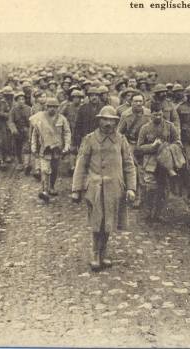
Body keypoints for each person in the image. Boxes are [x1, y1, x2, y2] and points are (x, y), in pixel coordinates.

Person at [71, 106, 136, 271]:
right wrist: (76, 188)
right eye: (104, 119)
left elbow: (129, 165)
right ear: (99, 120)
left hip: (114, 187)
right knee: (96, 221)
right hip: (95, 186)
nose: (108, 123)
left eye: (111, 120)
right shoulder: (90, 139)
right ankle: (94, 253)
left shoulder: (121, 140)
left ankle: (104, 251)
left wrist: (131, 188)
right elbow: (81, 164)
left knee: (109, 222)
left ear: (115, 122)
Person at [137, 102, 182, 222]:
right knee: (150, 189)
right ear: (151, 114)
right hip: (151, 163)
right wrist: (152, 146)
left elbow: (178, 142)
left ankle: (158, 214)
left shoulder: (170, 126)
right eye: (155, 115)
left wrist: (167, 148)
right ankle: (148, 212)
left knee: (163, 189)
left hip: (166, 163)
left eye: (160, 115)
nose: (158, 117)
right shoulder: (145, 128)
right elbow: (139, 148)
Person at [31, 98, 71, 202]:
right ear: (46, 107)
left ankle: (51, 187)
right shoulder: (40, 118)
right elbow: (35, 134)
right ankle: (44, 190)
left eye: (54, 107)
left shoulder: (62, 119)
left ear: (57, 108)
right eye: (50, 107)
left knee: (54, 169)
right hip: (45, 149)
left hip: (57, 149)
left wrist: (67, 146)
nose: (52, 109)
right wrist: (34, 147)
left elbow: (67, 132)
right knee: (45, 170)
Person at [118, 94, 150, 208]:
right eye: (135, 101)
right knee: (133, 170)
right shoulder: (125, 115)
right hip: (130, 144)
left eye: (140, 101)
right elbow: (119, 133)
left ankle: (145, 197)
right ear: (131, 102)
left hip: (145, 145)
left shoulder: (148, 114)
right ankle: (135, 196)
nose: (138, 104)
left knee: (145, 170)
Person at [59, 89, 84, 174]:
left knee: (81, 148)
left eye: (79, 98)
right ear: (72, 98)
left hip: (80, 130)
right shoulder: (67, 107)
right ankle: (72, 167)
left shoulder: (83, 107)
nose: (77, 99)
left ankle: (79, 166)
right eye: (75, 98)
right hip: (70, 129)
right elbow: (60, 116)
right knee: (72, 148)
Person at [8, 92, 32, 172]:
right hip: (17, 131)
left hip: (26, 131)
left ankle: (26, 165)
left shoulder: (29, 109)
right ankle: (20, 163)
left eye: (23, 99)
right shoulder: (13, 110)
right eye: (19, 99)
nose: (21, 101)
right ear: (16, 101)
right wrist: (13, 129)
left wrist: (29, 129)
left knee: (26, 147)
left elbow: (31, 120)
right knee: (17, 147)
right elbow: (10, 121)